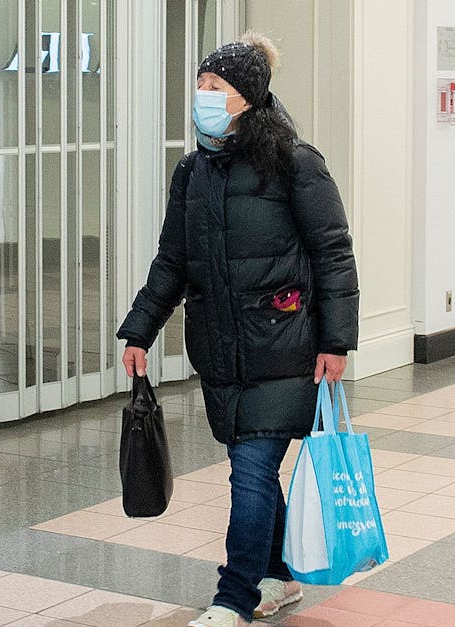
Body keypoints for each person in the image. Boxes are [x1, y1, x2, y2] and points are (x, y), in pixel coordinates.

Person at [115, 32, 360, 627]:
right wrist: (140, 330)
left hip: (284, 346)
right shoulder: (193, 171)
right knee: (252, 469)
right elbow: (173, 259)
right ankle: (276, 577)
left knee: (250, 470)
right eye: (200, 84)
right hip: (221, 352)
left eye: (213, 86)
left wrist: (335, 341)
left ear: (246, 97)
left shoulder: (296, 163)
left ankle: (233, 599)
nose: (201, 95)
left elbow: (333, 254)